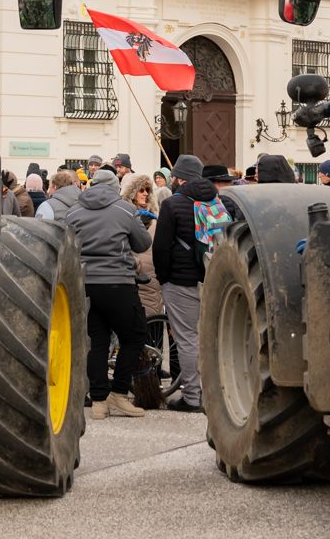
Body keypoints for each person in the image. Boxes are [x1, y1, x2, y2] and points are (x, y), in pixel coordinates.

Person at [72, 168, 152, 419]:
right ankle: (118, 392)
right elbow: (143, 244)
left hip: (85, 284)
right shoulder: (124, 210)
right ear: (115, 186)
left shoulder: (74, 212)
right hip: (117, 283)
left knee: (97, 342)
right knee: (136, 336)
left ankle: (98, 401)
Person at [152, 154, 221, 413]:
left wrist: (164, 277)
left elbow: (161, 247)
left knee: (188, 339)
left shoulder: (172, 204)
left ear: (179, 178)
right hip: (211, 278)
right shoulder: (217, 199)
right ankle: (212, 393)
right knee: (208, 337)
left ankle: (192, 397)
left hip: (180, 281)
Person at [123, 172, 167, 341]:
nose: (145, 193)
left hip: (153, 281)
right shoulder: (125, 218)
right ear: (131, 193)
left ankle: (153, 368)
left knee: (154, 333)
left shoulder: (156, 219)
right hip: (133, 280)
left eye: (148, 189)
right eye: (141, 189)